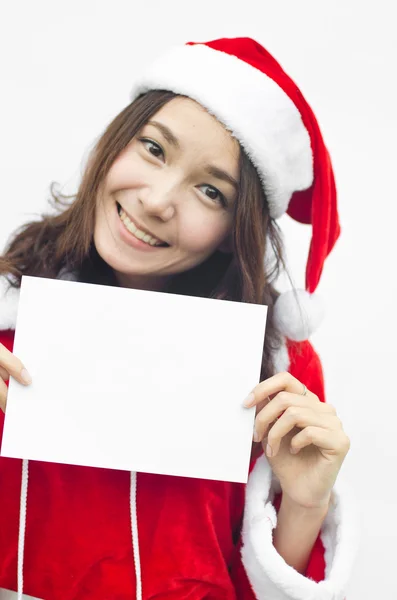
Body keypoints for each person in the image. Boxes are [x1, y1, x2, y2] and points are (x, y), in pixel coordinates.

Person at [0, 37, 355, 600]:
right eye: (154, 149)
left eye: (211, 192)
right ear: (114, 143)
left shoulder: (278, 373)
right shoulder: (7, 317)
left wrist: (306, 504)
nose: (159, 200)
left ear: (233, 232)